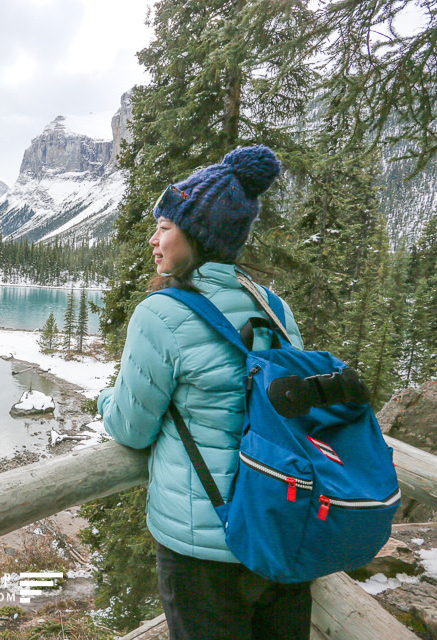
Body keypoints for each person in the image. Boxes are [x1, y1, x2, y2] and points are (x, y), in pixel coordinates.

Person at [97, 145, 312, 640]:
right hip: (279, 525)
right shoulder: (273, 305)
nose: (153, 240)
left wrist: (106, 400)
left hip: (204, 547)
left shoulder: (162, 313)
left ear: (195, 234)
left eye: (164, 227)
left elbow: (132, 427)